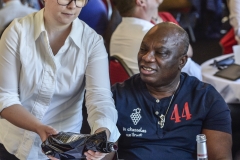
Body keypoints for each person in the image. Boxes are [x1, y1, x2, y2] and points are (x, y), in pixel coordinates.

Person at [0, 0, 120, 159]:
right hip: (11, 142)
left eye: (80, 0)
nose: (72, 6)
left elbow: (100, 97)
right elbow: (5, 97)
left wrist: (102, 132)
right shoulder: (17, 31)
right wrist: (38, 127)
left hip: (62, 149)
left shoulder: (92, 42)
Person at [109, 22, 232, 159]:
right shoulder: (117, 96)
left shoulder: (205, 99)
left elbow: (220, 157)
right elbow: (104, 152)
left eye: (160, 53)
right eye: (143, 49)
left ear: (182, 61)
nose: (146, 57)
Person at [110, 0, 202, 80]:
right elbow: (189, 56)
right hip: (159, 97)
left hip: (134, 95)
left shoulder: (117, 33)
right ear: (141, 1)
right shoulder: (153, 34)